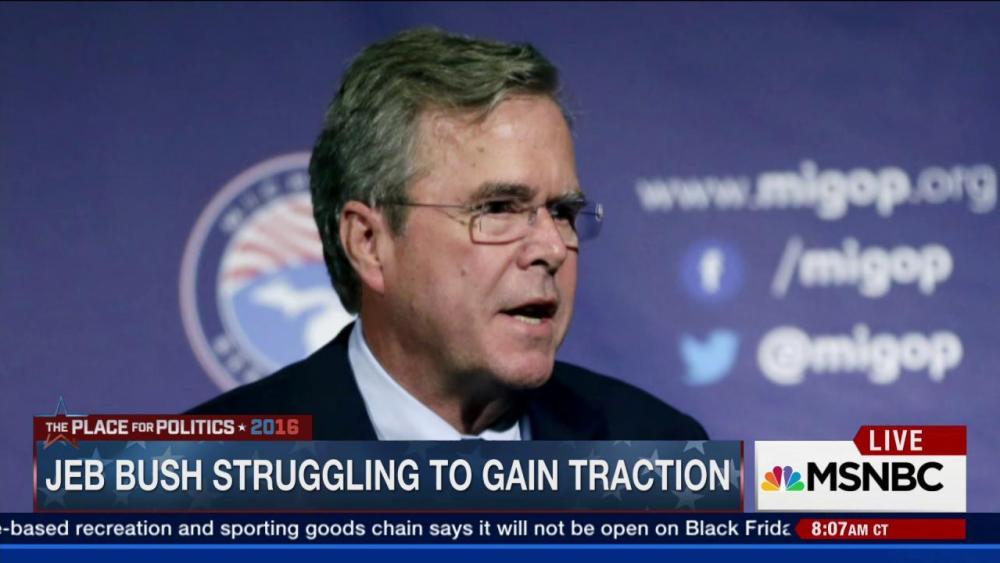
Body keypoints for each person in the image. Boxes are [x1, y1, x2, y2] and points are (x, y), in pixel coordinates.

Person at [190, 28, 707, 441]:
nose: (552, 248)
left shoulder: (660, 447)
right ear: (369, 244)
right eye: (499, 209)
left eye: (562, 212)